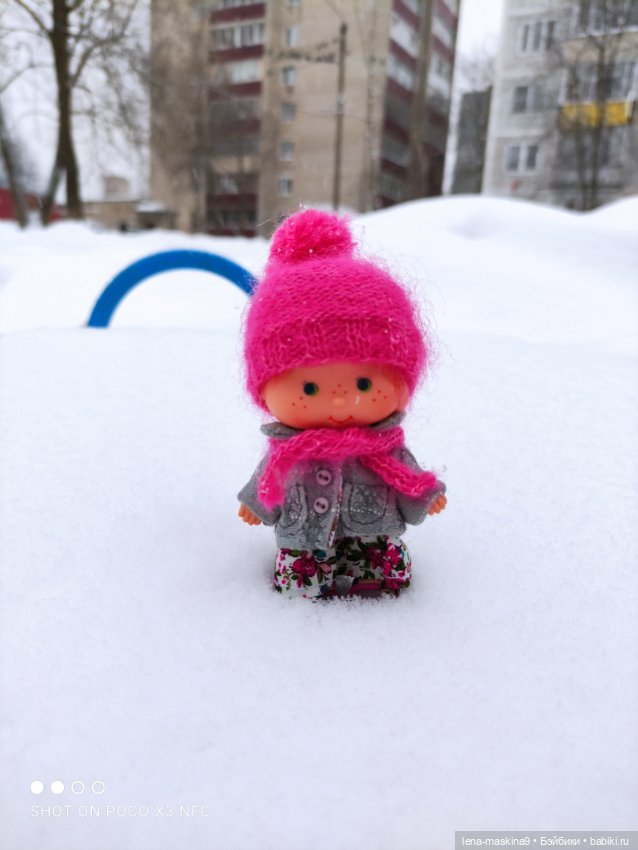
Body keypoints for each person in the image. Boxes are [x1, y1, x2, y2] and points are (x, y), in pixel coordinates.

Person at [237, 209, 446, 599]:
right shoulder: (289, 450)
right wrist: (257, 504)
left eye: (365, 383)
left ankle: (376, 581)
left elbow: (404, 471)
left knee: (380, 559)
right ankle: (305, 586)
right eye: (310, 389)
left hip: (374, 525)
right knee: (302, 570)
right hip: (304, 535)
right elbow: (271, 475)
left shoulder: (385, 445)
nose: (338, 398)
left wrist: (424, 494)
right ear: (263, 389)